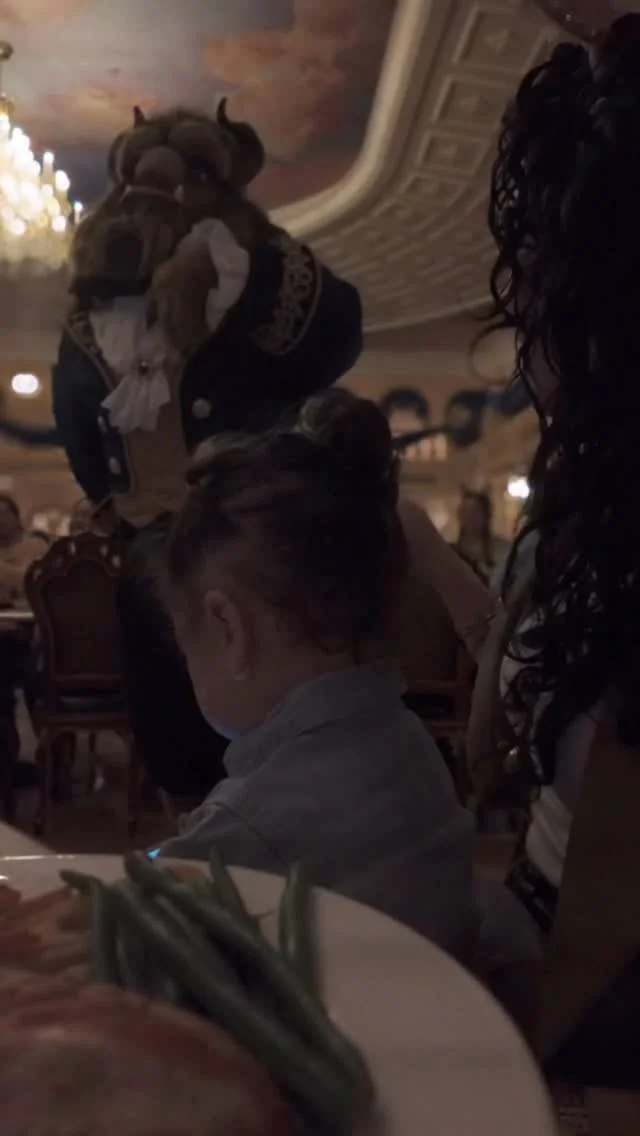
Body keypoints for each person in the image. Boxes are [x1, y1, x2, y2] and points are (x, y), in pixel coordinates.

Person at [399, 17, 640, 1086]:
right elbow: (532, 694)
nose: (525, 339)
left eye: (547, 281)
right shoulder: (595, 517)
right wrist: (421, 547)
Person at [51, 102, 362, 803]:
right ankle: (191, 830)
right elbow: (73, 412)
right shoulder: (95, 315)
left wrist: (257, 273)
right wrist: (108, 496)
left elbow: (336, 332)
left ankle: (262, 829)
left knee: (253, 697)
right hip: (145, 544)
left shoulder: (251, 281)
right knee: (165, 710)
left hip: (245, 538)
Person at [157, 390, 475, 958]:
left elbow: (133, 925)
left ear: (227, 629)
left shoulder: (244, 833)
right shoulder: (414, 747)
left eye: (188, 649)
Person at [454, 489, 509, 588]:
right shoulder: (451, 552)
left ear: (486, 516)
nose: (469, 516)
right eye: (464, 511)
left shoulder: (503, 550)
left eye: (475, 512)